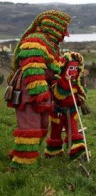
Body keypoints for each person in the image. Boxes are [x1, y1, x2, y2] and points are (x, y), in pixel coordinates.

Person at [6, 10, 71, 170]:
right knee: (30, 127)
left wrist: (58, 80)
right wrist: (39, 92)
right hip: (29, 92)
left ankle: (23, 153)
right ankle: (21, 165)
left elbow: (50, 68)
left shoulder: (51, 44)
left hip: (43, 92)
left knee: (42, 126)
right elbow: (32, 69)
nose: (65, 33)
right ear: (53, 26)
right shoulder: (34, 41)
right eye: (63, 28)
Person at [44, 51, 88, 160]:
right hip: (57, 113)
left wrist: (80, 99)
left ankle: (78, 153)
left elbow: (82, 93)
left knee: (73, 131)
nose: (74, 72)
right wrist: (64, 81)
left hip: (72, 112)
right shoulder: (57, 78)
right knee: (55, 133)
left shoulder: (78, 81)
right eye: (71, 68)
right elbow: (58, 95)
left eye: (76, 69)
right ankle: (53, 152)